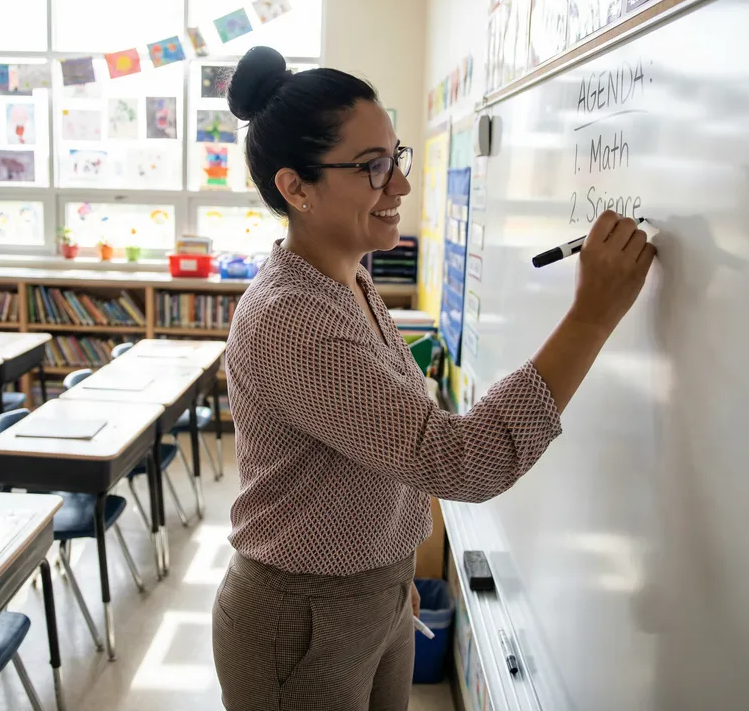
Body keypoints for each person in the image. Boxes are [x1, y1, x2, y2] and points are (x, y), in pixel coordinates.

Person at [212, 46, 656, 711]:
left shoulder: (348, 277)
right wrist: (591, 317)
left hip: (374, 597)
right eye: (372, 168)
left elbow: (379, 456)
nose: (401, 187)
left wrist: (391, 577)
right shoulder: (294, 321)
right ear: (295, 188)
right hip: (302, 625)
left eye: (395, 159)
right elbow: (460, 461)